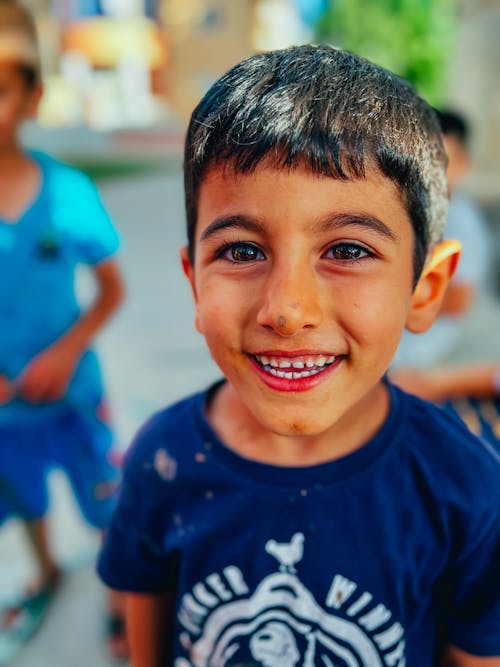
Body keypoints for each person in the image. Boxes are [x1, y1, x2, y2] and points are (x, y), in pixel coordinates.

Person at [98, 45, 500, 666]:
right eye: (241, 252)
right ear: (194, 283)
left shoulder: (465, 487)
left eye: (349, 250)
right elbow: (143, 622)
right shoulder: (162, 459)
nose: (287, 310)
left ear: (426, 290)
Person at [0, 1, 126, 656]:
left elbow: (112, 290)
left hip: (72, 396)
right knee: (22, 496)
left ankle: (121, 594)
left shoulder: (70, 193)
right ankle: (46, 572)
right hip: (4, 415)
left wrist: (65, 350)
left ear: (31, 96)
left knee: (106, 500)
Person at [391, 108, 492, 371]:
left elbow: (457, 302)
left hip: (419, 341)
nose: (431, 174)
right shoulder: (412, 205)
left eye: (443, 163)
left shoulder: (461, 223)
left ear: (463, 165)